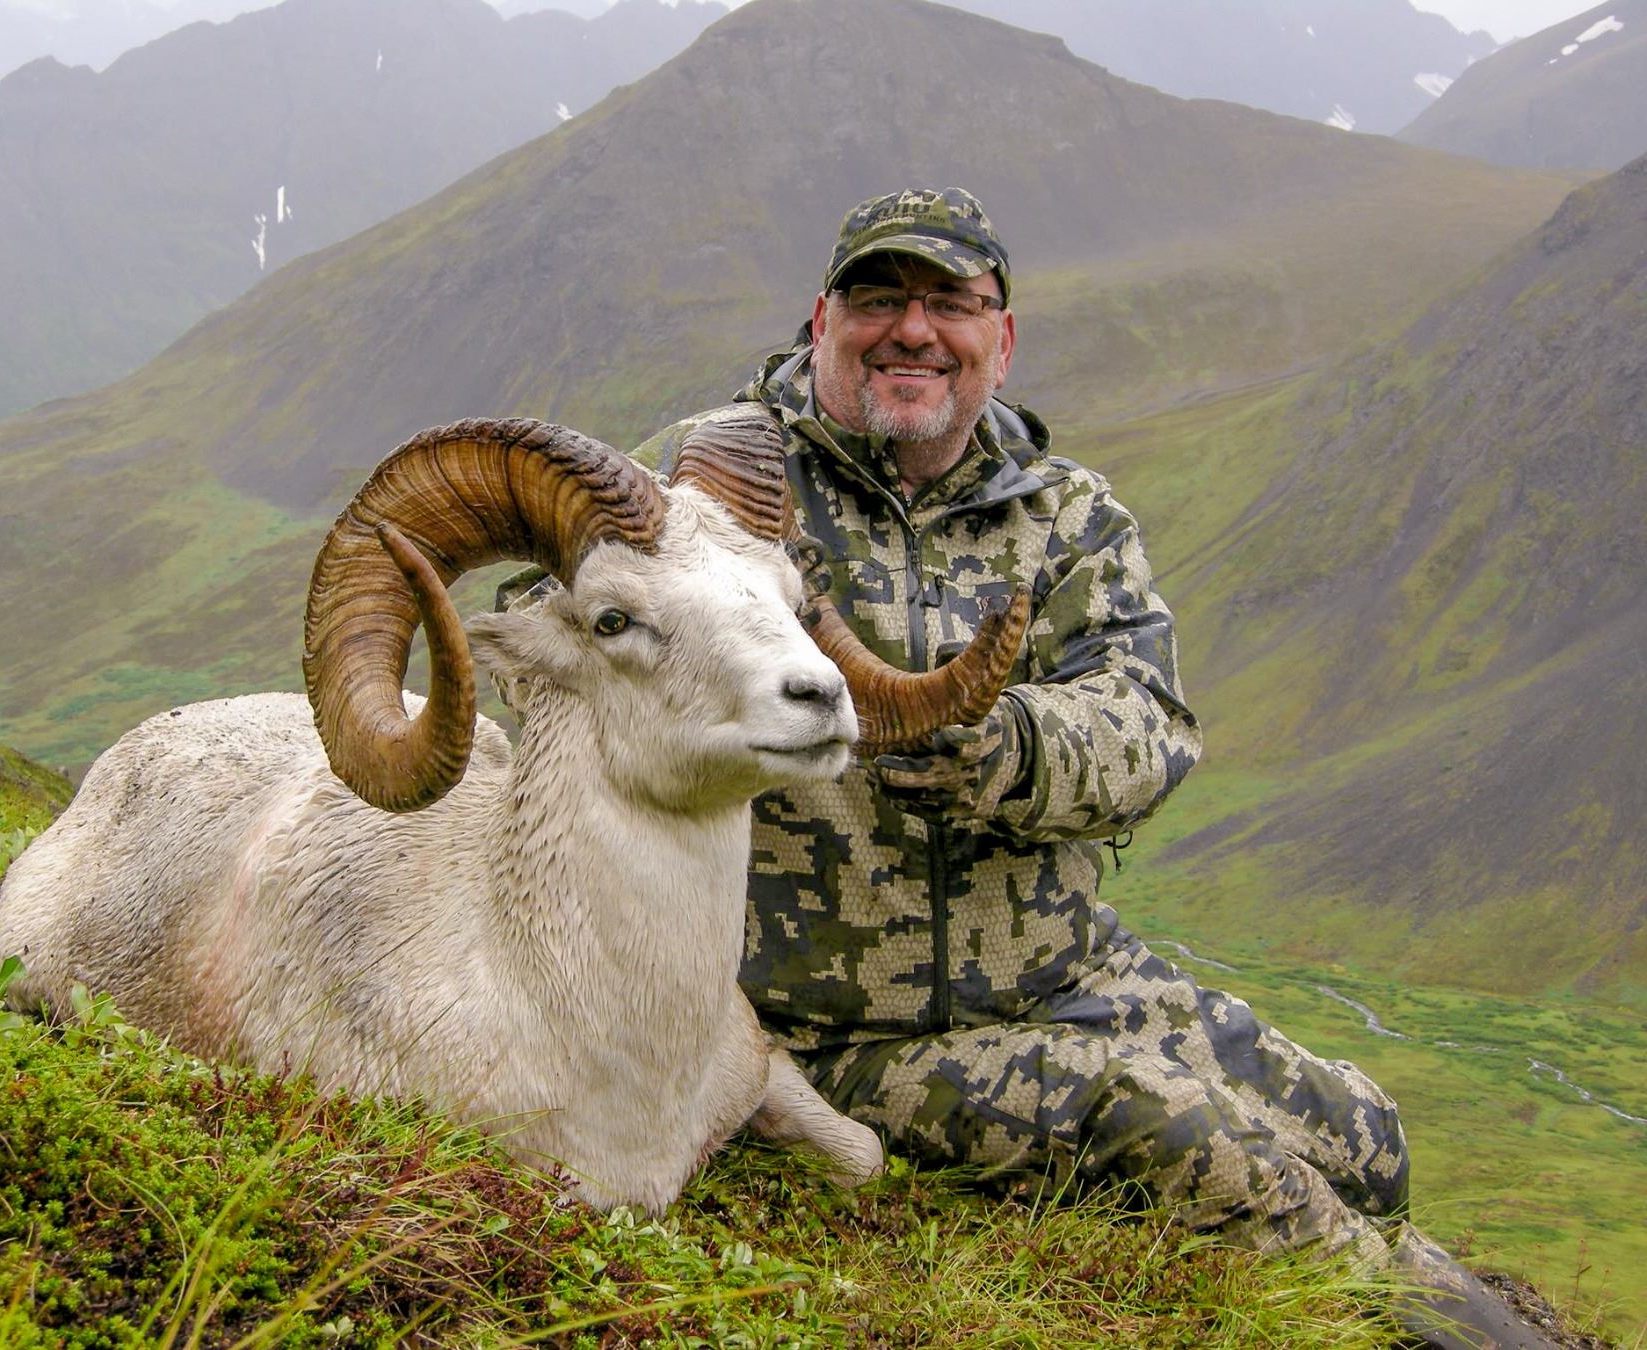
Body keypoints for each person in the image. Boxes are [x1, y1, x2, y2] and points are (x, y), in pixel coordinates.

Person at [505, 188, 1549, 1348]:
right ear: (822, 319)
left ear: (999, 339)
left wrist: (1012, 749)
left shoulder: (1066, 518)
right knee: (1198, 1148)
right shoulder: (718, 485)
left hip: (1067, 969)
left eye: (950, 303)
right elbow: (567, 639)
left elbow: (1153, 726)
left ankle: (1442, 1292)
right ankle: (1431, 1326)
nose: (913, 329)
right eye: (878, 297)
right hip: (840, 1024)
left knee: (1365, 1135)